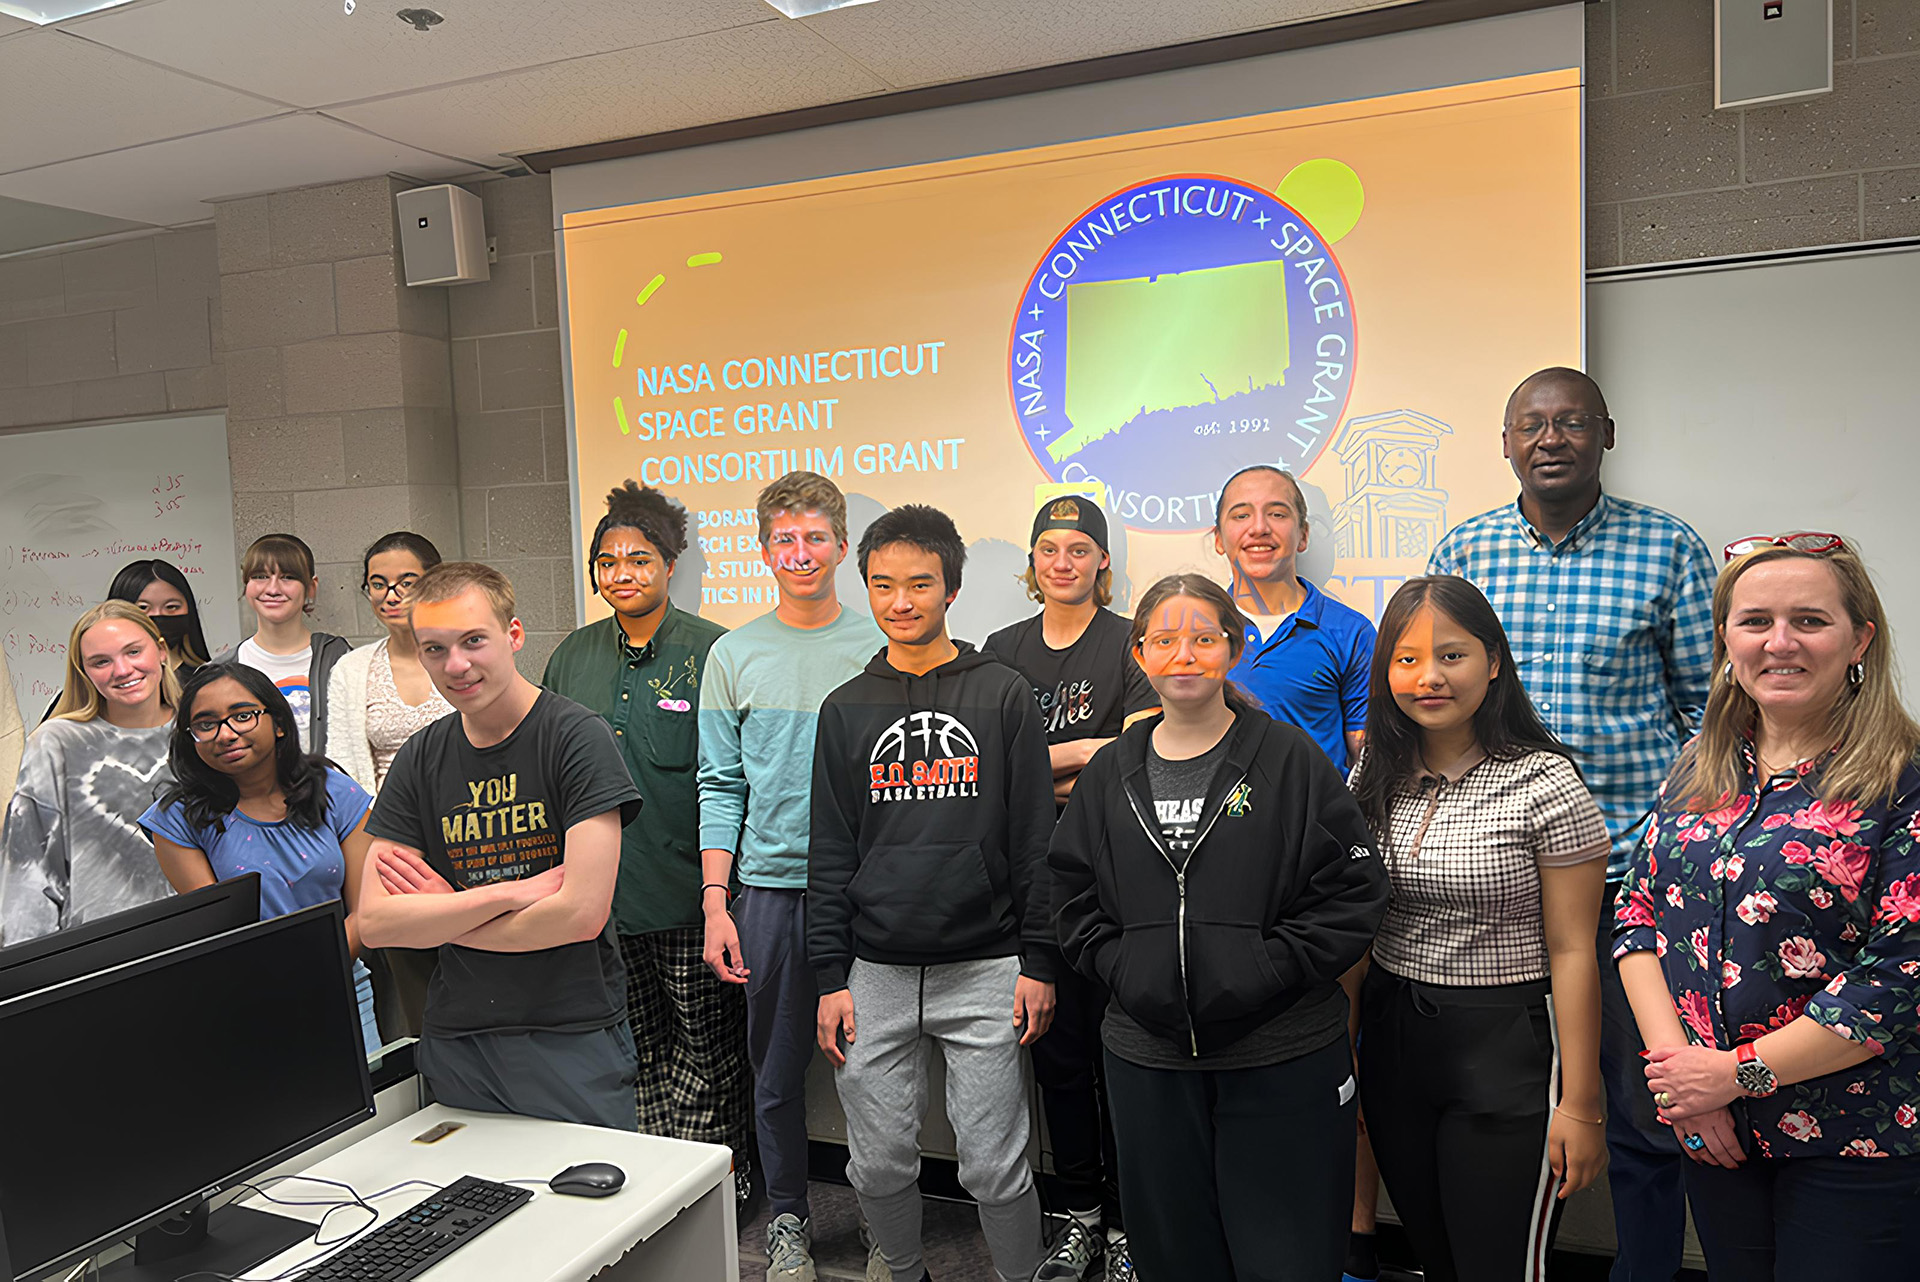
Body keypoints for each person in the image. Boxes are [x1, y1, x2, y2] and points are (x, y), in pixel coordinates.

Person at [1427, 367, 1715, 1282]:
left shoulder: (1668, 549)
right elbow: (1431, 704)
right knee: (1507, 1104)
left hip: (1626, 880)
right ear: (1505, 441)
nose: (1550, 438)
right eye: (1531, 424)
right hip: (1496, 883)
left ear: (1607, 434)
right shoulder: (1464, 550)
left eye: (1571, 422)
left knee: (1638, 1109)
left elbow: (1710, 720)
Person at [1049, 573, 1388, 1282]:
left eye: (1203, 638)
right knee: (1176, 1260)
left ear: (1232, 649)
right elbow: (1073, 895)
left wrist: (1263, 969)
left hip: (1282, 1055)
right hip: (1149, 1062)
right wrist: (1128, 970)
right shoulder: (1112, 772)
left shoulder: (1291, 760)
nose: (1184, 655)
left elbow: (1352, 894)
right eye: (1164, 640)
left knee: (1287, 1259)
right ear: (1139, 655)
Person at [1613, 534, 1920, 1280]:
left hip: (1856, 1141)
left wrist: (1735, 1075)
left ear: (1860, 639)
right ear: (1726, 639)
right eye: (1755, 622)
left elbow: (1898, 980)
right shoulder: (1699, 767)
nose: (1779, 642)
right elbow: (1636, 916)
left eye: (1809, 621)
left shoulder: (1901, 781)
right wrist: (1684, 1086)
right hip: (1713, 1131)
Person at [810, 504, 1057, 1282]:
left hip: (986, 965)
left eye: (920, 584)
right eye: (883, 585)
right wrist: (828, 978)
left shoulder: (1004, 694)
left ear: (951, 589)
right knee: (878, 1164)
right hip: (874, 971)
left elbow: (1034, 842)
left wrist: (1040, 961)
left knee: (994, 1165)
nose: (902, 601)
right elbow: (831, 850)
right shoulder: (845, 707)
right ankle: (906, 1271)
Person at [1346, 576, 1608, 1281]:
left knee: (1497, 1267)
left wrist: (1582, 1106)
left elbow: (1575, 948)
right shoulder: (1374, 771)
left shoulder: (1544, 781)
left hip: (1506, 1047)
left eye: (1452, 656)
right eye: (1406, 659)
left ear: (1494, 662)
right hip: (1396, 1038)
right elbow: (1356, 927)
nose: (1428, 677)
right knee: (1436, 1257)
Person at [355, 562, 643, 1129]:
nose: (455, 665)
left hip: (569, 1030)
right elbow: (377, 925)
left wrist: (443, 913)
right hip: (460, 1036)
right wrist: (511, 894)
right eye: (434, 649)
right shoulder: (420, 757)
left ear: (513, 636)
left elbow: (580, 915)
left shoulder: (575, 737)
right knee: (475, 1210)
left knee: (590, 1210)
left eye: (473, 641)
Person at [696, 472, 885, 1281]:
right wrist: (716, 902)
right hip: (767, 893)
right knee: (773, 1077)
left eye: (815, 537)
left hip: (869, 894)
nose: (800, 553)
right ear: (764, 549)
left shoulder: (879, 645)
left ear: (841, 546)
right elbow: (719, 784)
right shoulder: (733, 654)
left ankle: (888, 1226)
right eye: (784, 539)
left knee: (874, 1078)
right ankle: (787, 1223)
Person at [544, 483, 750, 1193]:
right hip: (602, 903)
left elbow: (733, 779)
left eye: (638, 558)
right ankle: (658, 1187)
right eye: (607, 560)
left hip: (689, 896)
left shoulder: (713, 649)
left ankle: (718, 1185)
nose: (621, 573)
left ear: (669, 564)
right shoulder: (572, 657)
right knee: (633, 1049)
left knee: (709, 1051)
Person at [982, 495, 1155, 1281]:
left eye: (1079, 550)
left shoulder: (1130, 643)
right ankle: (1079, 1218)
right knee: (1055, 1059)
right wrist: (1079, 756)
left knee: (1120, 1058)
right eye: (1049, 548)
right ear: (1032, 563)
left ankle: (1128, 1230)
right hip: (1028, 888)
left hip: (1117, 883)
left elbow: (1142, 750)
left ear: (1102, 564)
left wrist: (1039, 762)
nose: (1063, 562)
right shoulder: (1001, 647)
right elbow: (986, 764)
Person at [140, 663, 380, 1054]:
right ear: (192, 738)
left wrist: (320, 967)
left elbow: (368, 910)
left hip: (344, 985)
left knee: (374, 1110)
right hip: (247, 1001)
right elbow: (220, 934)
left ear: (279, 723)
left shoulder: (334, 790)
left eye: (243, 715)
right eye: (207, 724)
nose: (226, 733)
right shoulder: (178, 818)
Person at [325, 531, 452, 1041]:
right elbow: (342, 771)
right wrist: (379, 846)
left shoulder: (460, 654)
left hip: (467, 835)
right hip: (391, 850)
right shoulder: (353, 669)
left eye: (406, 581)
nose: (391, 595)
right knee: (412, 996)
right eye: (377, 584)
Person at [0, 602, 178, 944]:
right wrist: (35, 974)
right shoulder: (57, 743)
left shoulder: (204, 731)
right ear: (84, 672)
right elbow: (27, 870)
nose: (122, 670)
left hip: (202, 939)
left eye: (133, 651)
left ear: (160, 651)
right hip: (97, 953)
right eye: (101, 661)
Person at [1212, 465, 1374, 774]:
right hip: (1215, 819)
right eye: (1241, 515)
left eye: (1277, 514)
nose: (1259, 528)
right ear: (1219, 538)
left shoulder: (1351, 633)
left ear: (1303, 535)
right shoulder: (1195, 631)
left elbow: (1366, 756)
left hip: (1317, 818)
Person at [211, 534, 350, 755]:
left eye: (287, 577)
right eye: (260, 576)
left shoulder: (339, 658)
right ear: (246, 585)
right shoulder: (222, 670)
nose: (273, 589)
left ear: (310, 587)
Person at [109, 558, 212, 674]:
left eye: (171, 607)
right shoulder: (105, 681)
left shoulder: (207, 680)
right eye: (143, 608)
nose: (157, 615)